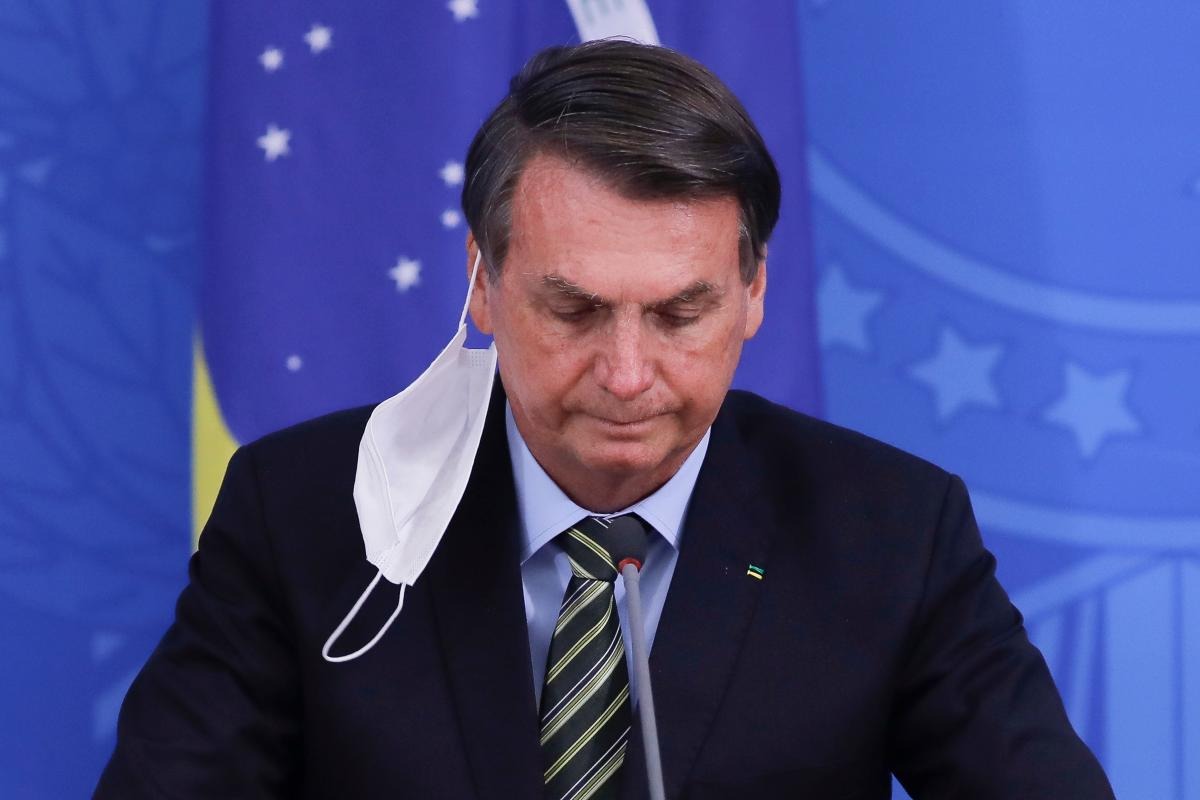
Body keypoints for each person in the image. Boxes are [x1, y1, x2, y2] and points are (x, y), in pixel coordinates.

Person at [96, 40, 1114, 799]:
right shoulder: (306, 512)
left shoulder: (891, 531)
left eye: (680, 314)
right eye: (575, 310)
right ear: (483, 282)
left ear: (754, 292)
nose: (627, 376)